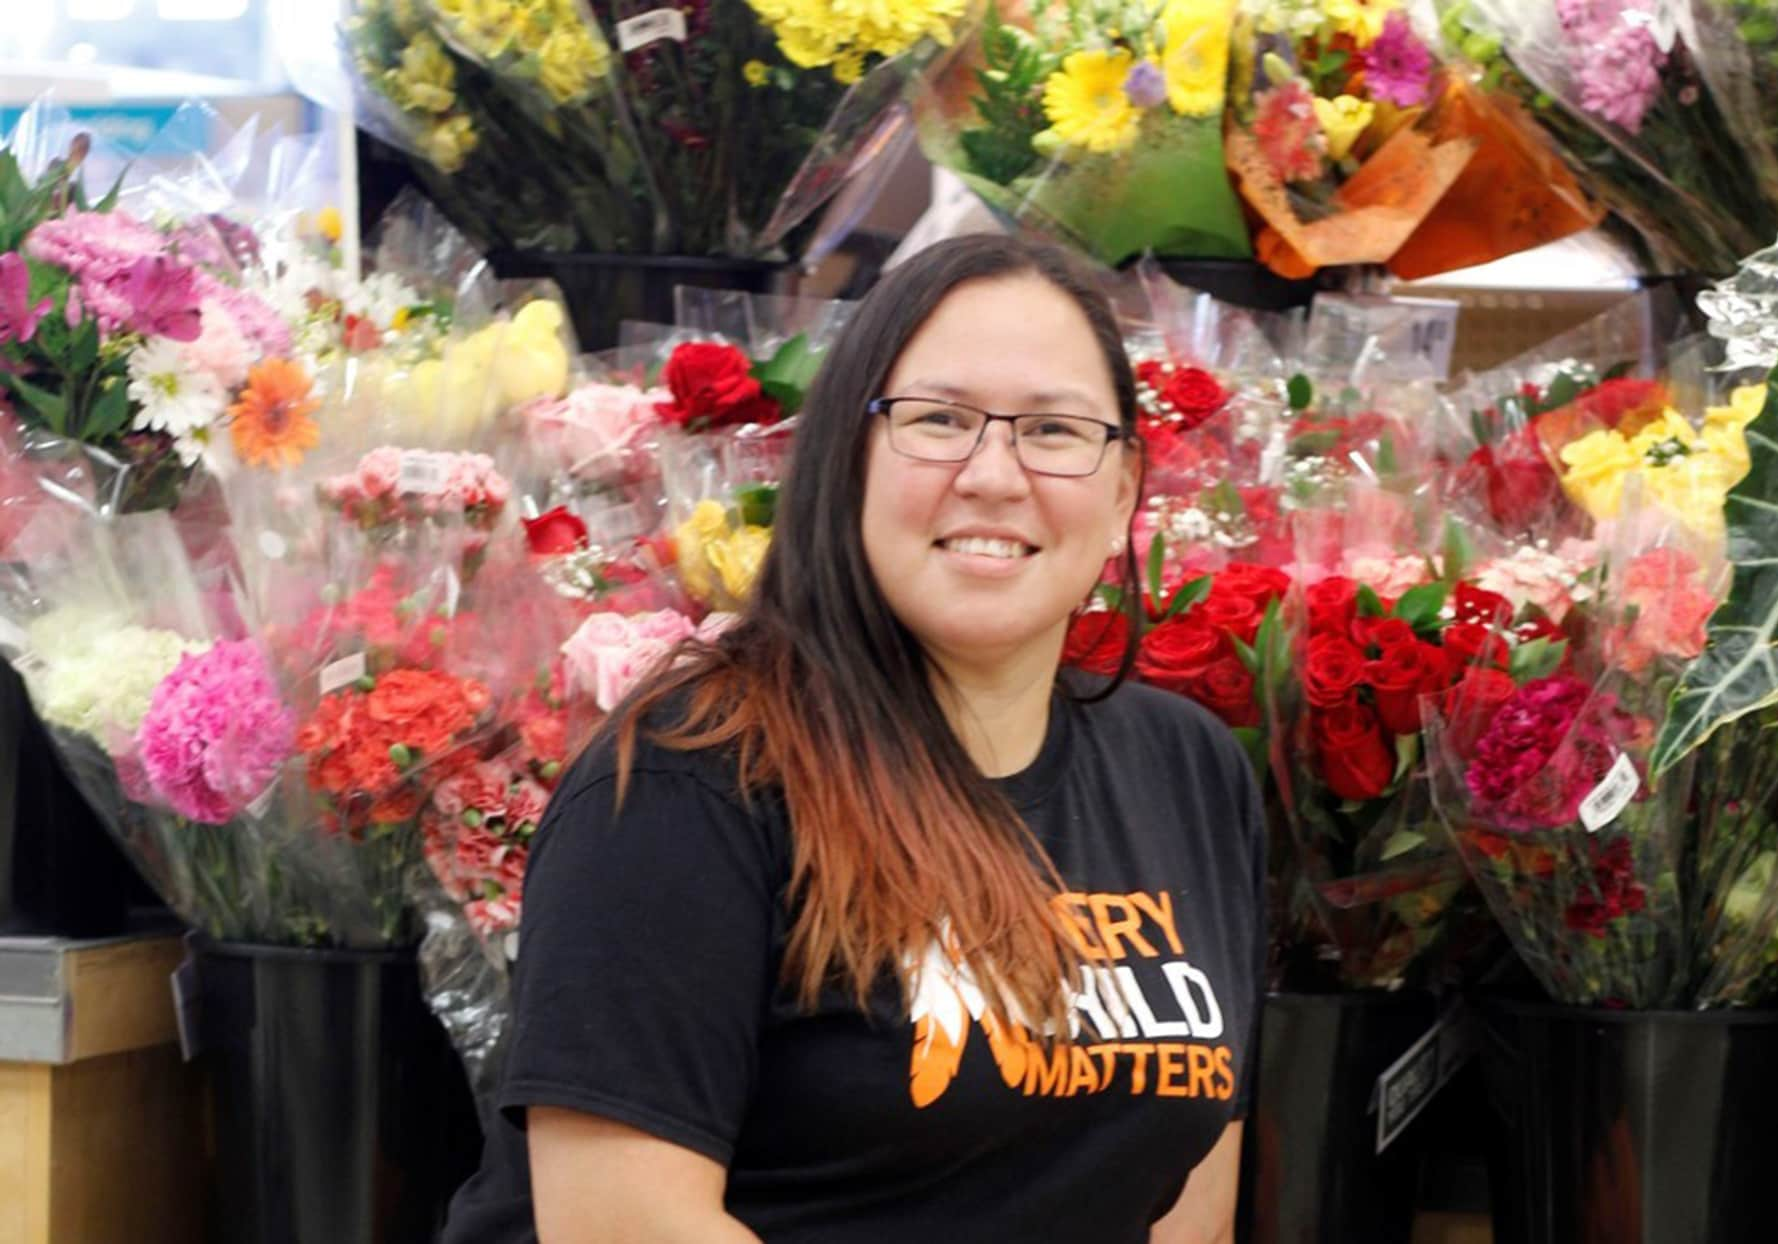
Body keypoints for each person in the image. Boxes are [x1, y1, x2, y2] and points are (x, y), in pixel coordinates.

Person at [443, 235, 1266, 1243]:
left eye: (1053, 429)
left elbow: (1188, 1204)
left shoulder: (1186, 770)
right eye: (938, 420)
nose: (992, 473)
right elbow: (626, 1223)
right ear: (845, 460)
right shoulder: (688, 780)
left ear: (1123, 491)